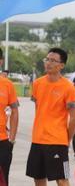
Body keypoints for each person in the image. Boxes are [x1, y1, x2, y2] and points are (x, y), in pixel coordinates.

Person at [26, 48, 75, 186]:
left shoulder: (68, 87)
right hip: (37, 139)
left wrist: (67, 139)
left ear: (61, 65)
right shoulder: (37, 84)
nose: (48, 63)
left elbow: (73, 118)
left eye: (53, 60)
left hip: (57, 141)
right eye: (47, 59)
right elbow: (39, 108)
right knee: (38, 177)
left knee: (62, 179)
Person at [0, 48, 19, 186]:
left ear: (0, 62)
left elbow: (15, 111)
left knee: (3, 180)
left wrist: (11, 139)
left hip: (2, 141)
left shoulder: (7, 84)